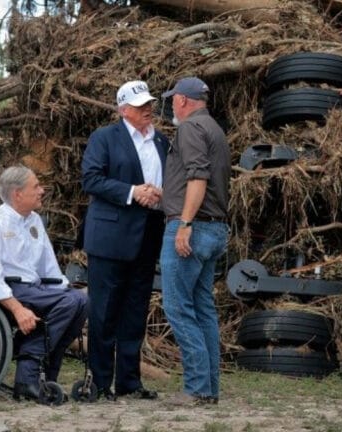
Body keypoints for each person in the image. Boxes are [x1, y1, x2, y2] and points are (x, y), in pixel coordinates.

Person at [81, 80, 169, 400]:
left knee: (135, 311)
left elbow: (168, 180)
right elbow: (91, 179)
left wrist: (161, 195)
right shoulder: (104, 138)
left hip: (147, 236)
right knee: (104, 312)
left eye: (150, 103)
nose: (148, 109)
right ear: (123, 110)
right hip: (109, 238)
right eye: (140, 105)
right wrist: (133, 192)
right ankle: (101, 383)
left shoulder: (161, 140)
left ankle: (129, 383)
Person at [0, 166, 89, 402]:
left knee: (82, 301)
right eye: (35, 186)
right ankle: (27, 377)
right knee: (72, 301)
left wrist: (66, 289)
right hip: (9, 291)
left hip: (37, 288)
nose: (42, 191)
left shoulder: (34, 220)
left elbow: (49, 267)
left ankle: (47, 376)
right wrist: (17, 309)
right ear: (17, 194)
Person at [159, 77, 230, 405]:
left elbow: (198, 178)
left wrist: (184, 223)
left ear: (184, 101)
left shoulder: (189, 129)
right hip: (214, 230)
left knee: (177, 305)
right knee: (203, 309)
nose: (172, 104)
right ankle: (209, 389)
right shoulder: (214, 129)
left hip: (193, 228)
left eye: (173, 99)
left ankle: (197, 389)